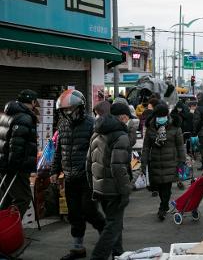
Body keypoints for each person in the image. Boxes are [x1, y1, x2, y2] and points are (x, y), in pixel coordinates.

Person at [50, 89, 105, 260]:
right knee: (74, 213)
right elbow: (59, 151)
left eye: (69, 109)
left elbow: (99, 151)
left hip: (88, 177)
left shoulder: (92, 124)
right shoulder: (62, 125)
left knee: (89, 210)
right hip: (69, 177)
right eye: (64, 110)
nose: (67, 112)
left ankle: (108, 236)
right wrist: (54, 170)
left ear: (79, 107)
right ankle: (78, 247)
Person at [86, 103, 132, 260]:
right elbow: (119, 168)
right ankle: (98, 256)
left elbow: (88, 163)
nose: (127, 121)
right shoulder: (121, 136)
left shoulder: (96, 133)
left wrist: (93, 186)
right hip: (114, 189)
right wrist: (125, 191)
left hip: (100, 187)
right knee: (113, 225)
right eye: (126, 117)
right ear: (121, 117)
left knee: (114, 223)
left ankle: (118, 254)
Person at [141, 104, 186, 220]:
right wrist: (143, 161)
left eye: (163, 115)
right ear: (155, 116)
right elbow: (146, 147)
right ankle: (164, 204)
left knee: (167, 186)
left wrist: (182, 160)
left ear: (167, 115)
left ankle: (163, 207)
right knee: (159, 186)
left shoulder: (175, 127)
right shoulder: (151, 128)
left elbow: (180, 146)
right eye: (159, 115)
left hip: (170, 161)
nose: (161, 117)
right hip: (155, 162)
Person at [0, 90, 39, 217]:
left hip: (4, 162)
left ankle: (4, 229)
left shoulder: (7, 114)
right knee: (23, 198)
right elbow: (16, 145)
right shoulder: (24, 117)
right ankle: (10, 230)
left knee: (6, 197)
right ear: (33, 102)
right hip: (16, 166)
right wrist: (14, 165)